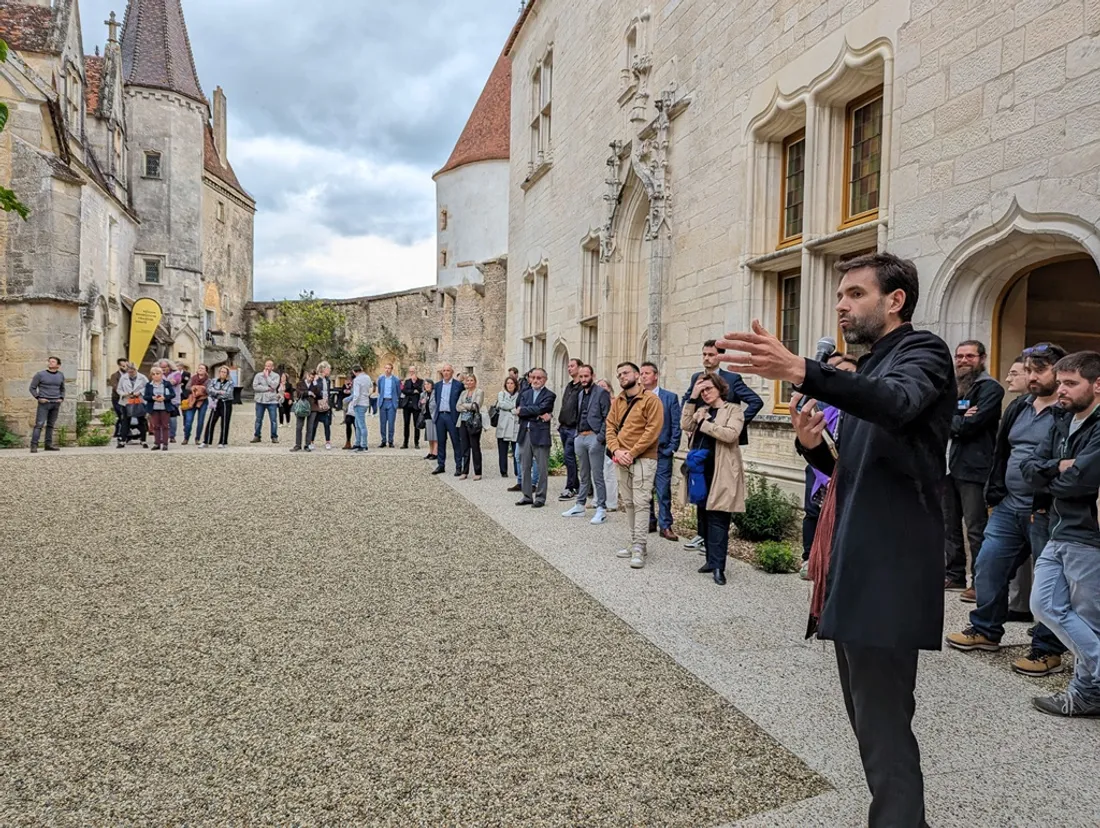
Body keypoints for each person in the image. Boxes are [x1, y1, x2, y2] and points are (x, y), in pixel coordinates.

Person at [720, 251, 954, 827]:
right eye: (840, 295)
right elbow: (859, 466)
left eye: (854, 294)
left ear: (894, 300)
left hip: (889, 566)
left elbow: (898, 405)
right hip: (857, 560)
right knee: (869, 721)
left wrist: (802, 370)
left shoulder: (922, 352)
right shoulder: (871, 366)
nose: (841, 305)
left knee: (883, 722)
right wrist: (809, 445)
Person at [946, 343, 1069, 676]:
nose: (1031, 377)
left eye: (1038, 370)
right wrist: (995, 491)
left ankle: (1047, 649)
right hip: (1008, 505)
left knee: (1048, 581)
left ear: (1059, 372)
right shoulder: (1019, 407)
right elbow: (1002, 451)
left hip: (1046, 511)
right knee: (988, 565)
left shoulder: (1069, 411)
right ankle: (985, 630)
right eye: (1027, 370)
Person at [1022, 351, 1100, 718]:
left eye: (1071, 383)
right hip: (1058, 528)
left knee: (1087, 618)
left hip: (1088, 535)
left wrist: (1052, 473)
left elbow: (1078, 482)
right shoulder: (1060, 420)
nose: (1062, 390)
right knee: (1044, 606)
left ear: (1097, 385)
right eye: (1061, 382)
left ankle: (1085, 694)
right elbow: (1027, 469)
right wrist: (1057, 467)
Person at [682, 341, 763, 551]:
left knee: (719, 495)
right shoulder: (696, 378)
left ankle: (716, 546)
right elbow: (687, 401)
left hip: (722, 444)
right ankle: (702, 536)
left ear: (720, 356)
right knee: (700, 491)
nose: (706, 358)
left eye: (711, 354)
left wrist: (737, 423)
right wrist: (693, 417)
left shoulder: (732, 379)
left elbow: (755, 401)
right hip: (700, 444)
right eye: (704, 354)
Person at [944, 340, 1004, 593]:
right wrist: (955, 418)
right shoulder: (951, 388)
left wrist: (947, 420)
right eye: (959, 356)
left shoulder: (990, 389)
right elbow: (933, 419)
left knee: (976, 527)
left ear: (982, 358)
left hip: (974, 469)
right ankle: (954, 575)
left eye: (970, 356)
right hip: (947, 466)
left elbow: (972, 425)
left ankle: (980, 583)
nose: (963, 361)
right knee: (949, 526)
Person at [680, 372, 746, 585]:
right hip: (700, 472)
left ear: (720, 388)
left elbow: (730, 435)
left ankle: (719, 566)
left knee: (718, 520)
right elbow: (686, 424)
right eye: (703, 390)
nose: (705, 393)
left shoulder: (733, 409)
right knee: (703, 517)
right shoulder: (701, 409)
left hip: (722, 472)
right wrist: (692, 398)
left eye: (709, 389)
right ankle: (709, 559)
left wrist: (706, 422)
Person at [800, 354, 859, 577]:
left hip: (852, 480)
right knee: (814, 515)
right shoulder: (822, 406)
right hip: (821, 474)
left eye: (848, 373)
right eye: (836, 372)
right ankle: (812, 559)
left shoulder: (864, 411)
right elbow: (809, 442)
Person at [607, 362, 664, 569]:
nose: (622, 376)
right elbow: (610, 427)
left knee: (641, 502)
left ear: (638, 375)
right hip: (621, 458)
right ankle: (634, 542)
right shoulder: (618, 401)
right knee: (629, 502)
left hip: (644, 459)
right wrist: (616, 450)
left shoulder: (651, 400)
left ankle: (640, 545)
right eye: (619, 374)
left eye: (626, 373)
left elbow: (652, 431)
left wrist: (631, 453)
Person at [1002, 357, 1035, 620]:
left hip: (1039, 502)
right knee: (996, 561)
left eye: (1015, 373)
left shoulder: (1060, 409)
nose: (1008, 379)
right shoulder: (1017, 406)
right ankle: (990, 622)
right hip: (1009, 497)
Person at [563, 364, 612, 524]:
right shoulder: (579, 394)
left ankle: (601, 509)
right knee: (583, 475)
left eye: (586, 376)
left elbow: (608, 417)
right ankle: (580, 505)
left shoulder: (601, 393)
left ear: (592, 375)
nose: (583, 379)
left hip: (594, 437)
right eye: (582, 376)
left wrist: (600, 438)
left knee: (597, 475)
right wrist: (577, 435)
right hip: (580, 437)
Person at [641, 361, 682, 540]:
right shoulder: (637, 397)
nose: (643, 376)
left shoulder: (669, 398)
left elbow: (676, 425)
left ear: (656, 376)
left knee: (663, 490)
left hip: (662, 451)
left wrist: (672, 447)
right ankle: (650, 520)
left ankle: (665, 525)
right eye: (641, 373)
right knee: (644, 488)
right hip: (642, 452)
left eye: (647, 373)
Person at [515, 368, 556, 507]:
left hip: (540, 434)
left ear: (545, 379)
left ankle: (540, 497)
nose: (536, 380)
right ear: (530, 378)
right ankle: (527, 495)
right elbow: (519, 410)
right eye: (534, 377)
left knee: (542, 467)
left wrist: (528, 411)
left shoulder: (550, 395)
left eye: (539, 378)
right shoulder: (524, 394)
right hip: (524, 433)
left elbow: (541, 408)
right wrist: (536, 413)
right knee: (525, 466)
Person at [556, 358, 582, 501]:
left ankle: (570, 487)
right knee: (568, 458)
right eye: (568, 366)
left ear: (579, 367)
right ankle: (577, 485)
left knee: (569, 456)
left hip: (573, 428)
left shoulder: (581, 387)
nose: (569, 368)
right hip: (564, 427)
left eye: (572, 366)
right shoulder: (569, 386)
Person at [28, 356, 66, 453]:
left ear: (58, 365)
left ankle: (48, 445)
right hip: (44, 403)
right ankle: (34, 445)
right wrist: (38, 398)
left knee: (51, 425)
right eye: (49, 361)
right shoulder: (40, 375)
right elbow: (32, 388)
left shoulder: (61, 375)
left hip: (55, 403)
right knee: (39, 424)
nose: (50, 363)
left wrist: (61, 398)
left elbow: (62, 389)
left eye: (53, 362)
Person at [431, 364, 463, 475]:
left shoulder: (458, 385)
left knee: (456, 442)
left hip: (452, 416)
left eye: (448, 370)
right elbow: (436, 400)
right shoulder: (438, 385)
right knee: (441, 441)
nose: (445, 372)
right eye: (444, 371)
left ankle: (459, 466)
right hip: (440, 416)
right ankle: (441, 465)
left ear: (452, 372)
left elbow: (460, 400)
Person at [596, 378, 620, 510]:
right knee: (598, 471)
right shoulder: (595, 402)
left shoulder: (615, 402)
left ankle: (611, 502)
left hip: (611, 439)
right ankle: (598, 500)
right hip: (598, 438)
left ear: (610, 388)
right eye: (598, 386)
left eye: (604, 386)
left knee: (610, 473)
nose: (601, 388)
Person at [456, 374, 485, 480]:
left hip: (473, 422)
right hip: (463, 422)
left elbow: (476, 405)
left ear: (475, 382)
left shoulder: (479, 392)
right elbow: (457, 406)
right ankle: (465, 471)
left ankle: (478, 472)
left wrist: (464, 406)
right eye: (467, 380)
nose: (469, 382)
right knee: (465, 448)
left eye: (471, 380)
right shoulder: (463, 393)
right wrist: (465, 407)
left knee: (475, 446)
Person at [143, 365, 177, 451]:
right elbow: (146, 396)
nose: (155, 375)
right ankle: (157, 443)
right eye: (153, 374)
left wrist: (164, 397)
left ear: (161, 374)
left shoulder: (167, 384)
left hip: (165, 407)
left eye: (157, 373)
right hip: (154, 408)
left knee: (165, 426)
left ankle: (165, 444)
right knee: (156, 426)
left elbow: (173, 394)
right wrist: (153, 398)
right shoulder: (148, 385)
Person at [116, 363, 149, 448]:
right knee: (125, 421)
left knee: (141, 420)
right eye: (129, 371)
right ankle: (123, 440)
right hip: (127, 401)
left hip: (139, 400)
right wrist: (124, 394)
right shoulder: (123, 378)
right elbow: (119, 389)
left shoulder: (142, 377)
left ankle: (143, 440)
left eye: (133, 371)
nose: (131, 373)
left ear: (136, 370)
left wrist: (140, 392)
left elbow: (148, 387)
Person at [495, 376, 521, 479]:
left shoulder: (519, 395)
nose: (509, 385)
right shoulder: (501, 394)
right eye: (508, 383)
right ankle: (503, 471)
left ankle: (517, 470)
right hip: (503, 425)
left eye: (511, 383)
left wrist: (511, 408)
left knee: (516, 452)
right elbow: (501, 404)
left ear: (515, 385)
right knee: (502, 451)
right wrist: (513, 408)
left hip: (515, 426)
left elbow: (520, 407)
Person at [251, 359, 282, 444]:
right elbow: (255, 387)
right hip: (260, 400)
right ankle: (257, 436)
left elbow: (274, 385)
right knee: (258, 419)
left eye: (269, 366)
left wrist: (267, 377)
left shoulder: (276, 376)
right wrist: (267, 388)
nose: (267, 367)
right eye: (266, 366)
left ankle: (274, 436)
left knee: (273, 420)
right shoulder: (258, 375)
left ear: (272, 367)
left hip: (272, 401)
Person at [204, 366, 235, 448]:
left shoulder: (230, 382)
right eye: (221, 371)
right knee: (211, 421)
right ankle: (206, 441)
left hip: (226, 403)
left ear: (227, 374)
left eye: (225, 372)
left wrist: (217, 393)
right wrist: (219, 392)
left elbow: (228, 393)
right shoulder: (214, 380)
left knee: (224, 422)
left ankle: (223, 442)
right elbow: (209, 390)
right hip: (216, 402)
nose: (223, 373)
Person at [307, 362, 334, 451]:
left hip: (326, 403)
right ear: (323, 369)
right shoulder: (316, 379)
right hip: (317, 404)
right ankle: (311, 441)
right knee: (314, 424)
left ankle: (328, 441)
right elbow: (313, 390)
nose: (329, 371)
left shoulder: (327, 380)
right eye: (328, 369)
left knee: (327, 423)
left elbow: (328, 392)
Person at [182, 363, 211, 446]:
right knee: (188, 420)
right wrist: (194, 388)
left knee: (200, 421)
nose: (200, 369)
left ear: (206, 371)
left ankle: (197, 438)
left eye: (202, 368)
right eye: (199, 368)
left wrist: (200, 389)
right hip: (192, 400)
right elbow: (187, 387)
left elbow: (208, 390)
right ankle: (186, 437)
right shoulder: (193, 378)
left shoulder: (208, 380)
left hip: (203, 401)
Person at [349, 365, 373, 453]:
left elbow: (356, 394)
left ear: (355, 372)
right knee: (357, 424)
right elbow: (371, 387)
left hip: (359, 403)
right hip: (366, 402)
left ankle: (364, 445)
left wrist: (353, 404)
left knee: (361, 425)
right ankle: (357, 443)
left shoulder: (357, 380)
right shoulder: (367, 377)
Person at [376, 363, 401, 448]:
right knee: (382, 423)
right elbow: (379, 390)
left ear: (392, 369)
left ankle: (390, 441)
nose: (387, 370)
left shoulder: (396, 380)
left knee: (391, 423)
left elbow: (398, 392)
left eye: (389, 368)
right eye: (386, 368)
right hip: (383, 402)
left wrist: (395, 401)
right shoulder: (381, 379)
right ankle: (383, 440)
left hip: (391, 402)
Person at [290, 370, 316, 452]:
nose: (311, 379)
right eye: (310, 377)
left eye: (313, 378)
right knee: (299, 427)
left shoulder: (314, 384)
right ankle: (298, 445)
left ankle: (307, 445)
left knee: (310, 427)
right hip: (302, 407)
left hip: (312, 407)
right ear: (307, 375)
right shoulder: (300, 384)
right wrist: (308, 393)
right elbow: (298, 393)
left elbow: (319, 394)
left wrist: (316, 386)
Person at [401, 367, 424, 450]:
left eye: (413, 371)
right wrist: (413, 391)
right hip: (407, 405)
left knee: (416, 425)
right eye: (410, 371)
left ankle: (416, 442)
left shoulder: (421, 381)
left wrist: (414, 384)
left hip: (416, 406)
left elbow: (421, 390)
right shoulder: (407, 381)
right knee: (406, 424)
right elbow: (404, 391)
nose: (411, 373)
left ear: (416, 372)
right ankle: (405, 442)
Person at [108, 358, 129, 443]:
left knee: (125, 415)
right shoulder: (114, 376)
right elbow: (115, 386)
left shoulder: (129, 375)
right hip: (117, 398)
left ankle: (120, 432)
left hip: (127, 398)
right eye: (123, 366)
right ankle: (120, 431)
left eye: (126, 365)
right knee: (121, 414)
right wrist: (123, 392)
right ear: (119, 366)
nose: (125, 367)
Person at [420, 379, 437, 460]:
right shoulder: (423, 394)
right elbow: (419, 406)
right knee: (430, 436)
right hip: (426, 416)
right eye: (425, 384)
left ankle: (435, 452)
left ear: (432, 385)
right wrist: (421, 402)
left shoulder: (435, 393)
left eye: (428, 384)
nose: (426, 386)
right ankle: (430, 452)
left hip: (434, 416)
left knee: (435, 436)